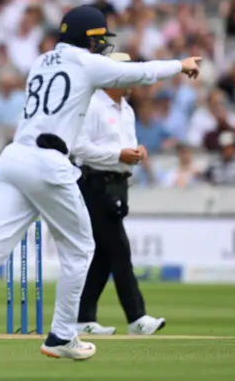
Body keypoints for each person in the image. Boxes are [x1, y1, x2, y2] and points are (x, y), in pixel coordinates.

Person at [0, 5, 201, 360]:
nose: (102, 48)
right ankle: (62, 336)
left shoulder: (41, 61)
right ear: (90, 40)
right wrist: (181, 64)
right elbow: (139, 74)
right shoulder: (85, 62)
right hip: (48, 163)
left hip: (14, 157)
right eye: (99, 41)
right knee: (81, 248)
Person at [72, 52, 165, 337]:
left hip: (118, 185)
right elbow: (78, 148)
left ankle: (82, 318)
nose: (133, 80)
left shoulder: (126, 108)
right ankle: (137, 318)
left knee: (103, 255)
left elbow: (126, 145)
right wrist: (118, 154)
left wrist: (137, 152)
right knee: (120, 251)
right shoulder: (92, 106)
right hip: (94, 184)